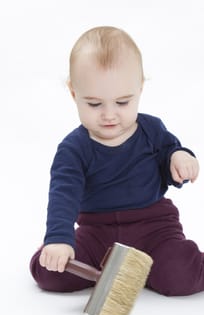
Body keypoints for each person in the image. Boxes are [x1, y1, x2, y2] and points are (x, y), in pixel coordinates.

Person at [30, 26, 203, 296]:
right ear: (74, 94)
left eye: (122, 102)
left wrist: (180, 158)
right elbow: (63, 196)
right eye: (94, 104)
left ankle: (155, 267)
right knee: (51, 274)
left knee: (179, 275)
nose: (109, 115)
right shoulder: (73, 149)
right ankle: (56, 255)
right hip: (98, 234)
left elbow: (171, 153)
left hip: (154, 229)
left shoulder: (152, 130)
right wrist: (58, 240)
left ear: (140, 89)